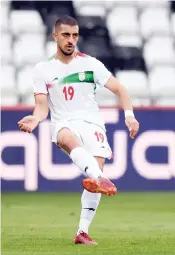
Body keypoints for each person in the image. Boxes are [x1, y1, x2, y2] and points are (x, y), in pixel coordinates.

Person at [17, 15, 139, 245]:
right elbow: (42, 107)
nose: (71, 40)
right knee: (65, 138)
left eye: (74, 35)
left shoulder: (90, 64)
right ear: (55, 36)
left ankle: (82, 232)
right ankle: (101, 178)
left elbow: (120, 89)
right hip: (63, 121)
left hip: (92, 123)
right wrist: (35, 119)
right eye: (65, 35)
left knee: (94, 181)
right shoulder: (42, 70)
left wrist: (130, 116)